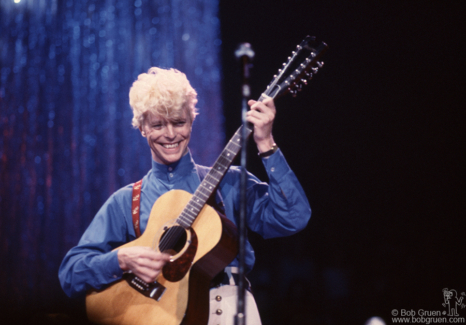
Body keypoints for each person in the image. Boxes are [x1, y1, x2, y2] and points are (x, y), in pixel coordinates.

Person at [59, 67, 311, 324]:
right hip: (158, 315)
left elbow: (294, 218)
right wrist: (119, 260)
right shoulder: (127, 201)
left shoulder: (231, 182)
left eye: (179, 122)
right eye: (158, 124)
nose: (170, 134)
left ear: (191, 121)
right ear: (142, 127)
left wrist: (266, 144)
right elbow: (70, 274)